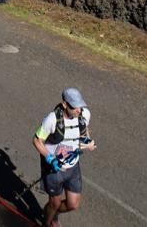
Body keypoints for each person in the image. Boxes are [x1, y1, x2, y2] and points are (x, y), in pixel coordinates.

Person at [33, 88, 97, 227]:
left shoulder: (84, 114)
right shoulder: (52, 119)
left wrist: (87, 141)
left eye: (80, 105)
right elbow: (37, 140)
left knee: (72, 204)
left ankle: (50, 212)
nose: (78, 110)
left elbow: (84, 130)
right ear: (64, 104)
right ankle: (47, 222)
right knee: (55, 203)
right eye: (74, 107)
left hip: (73, 167)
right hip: (54, 169)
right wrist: (50, 159)